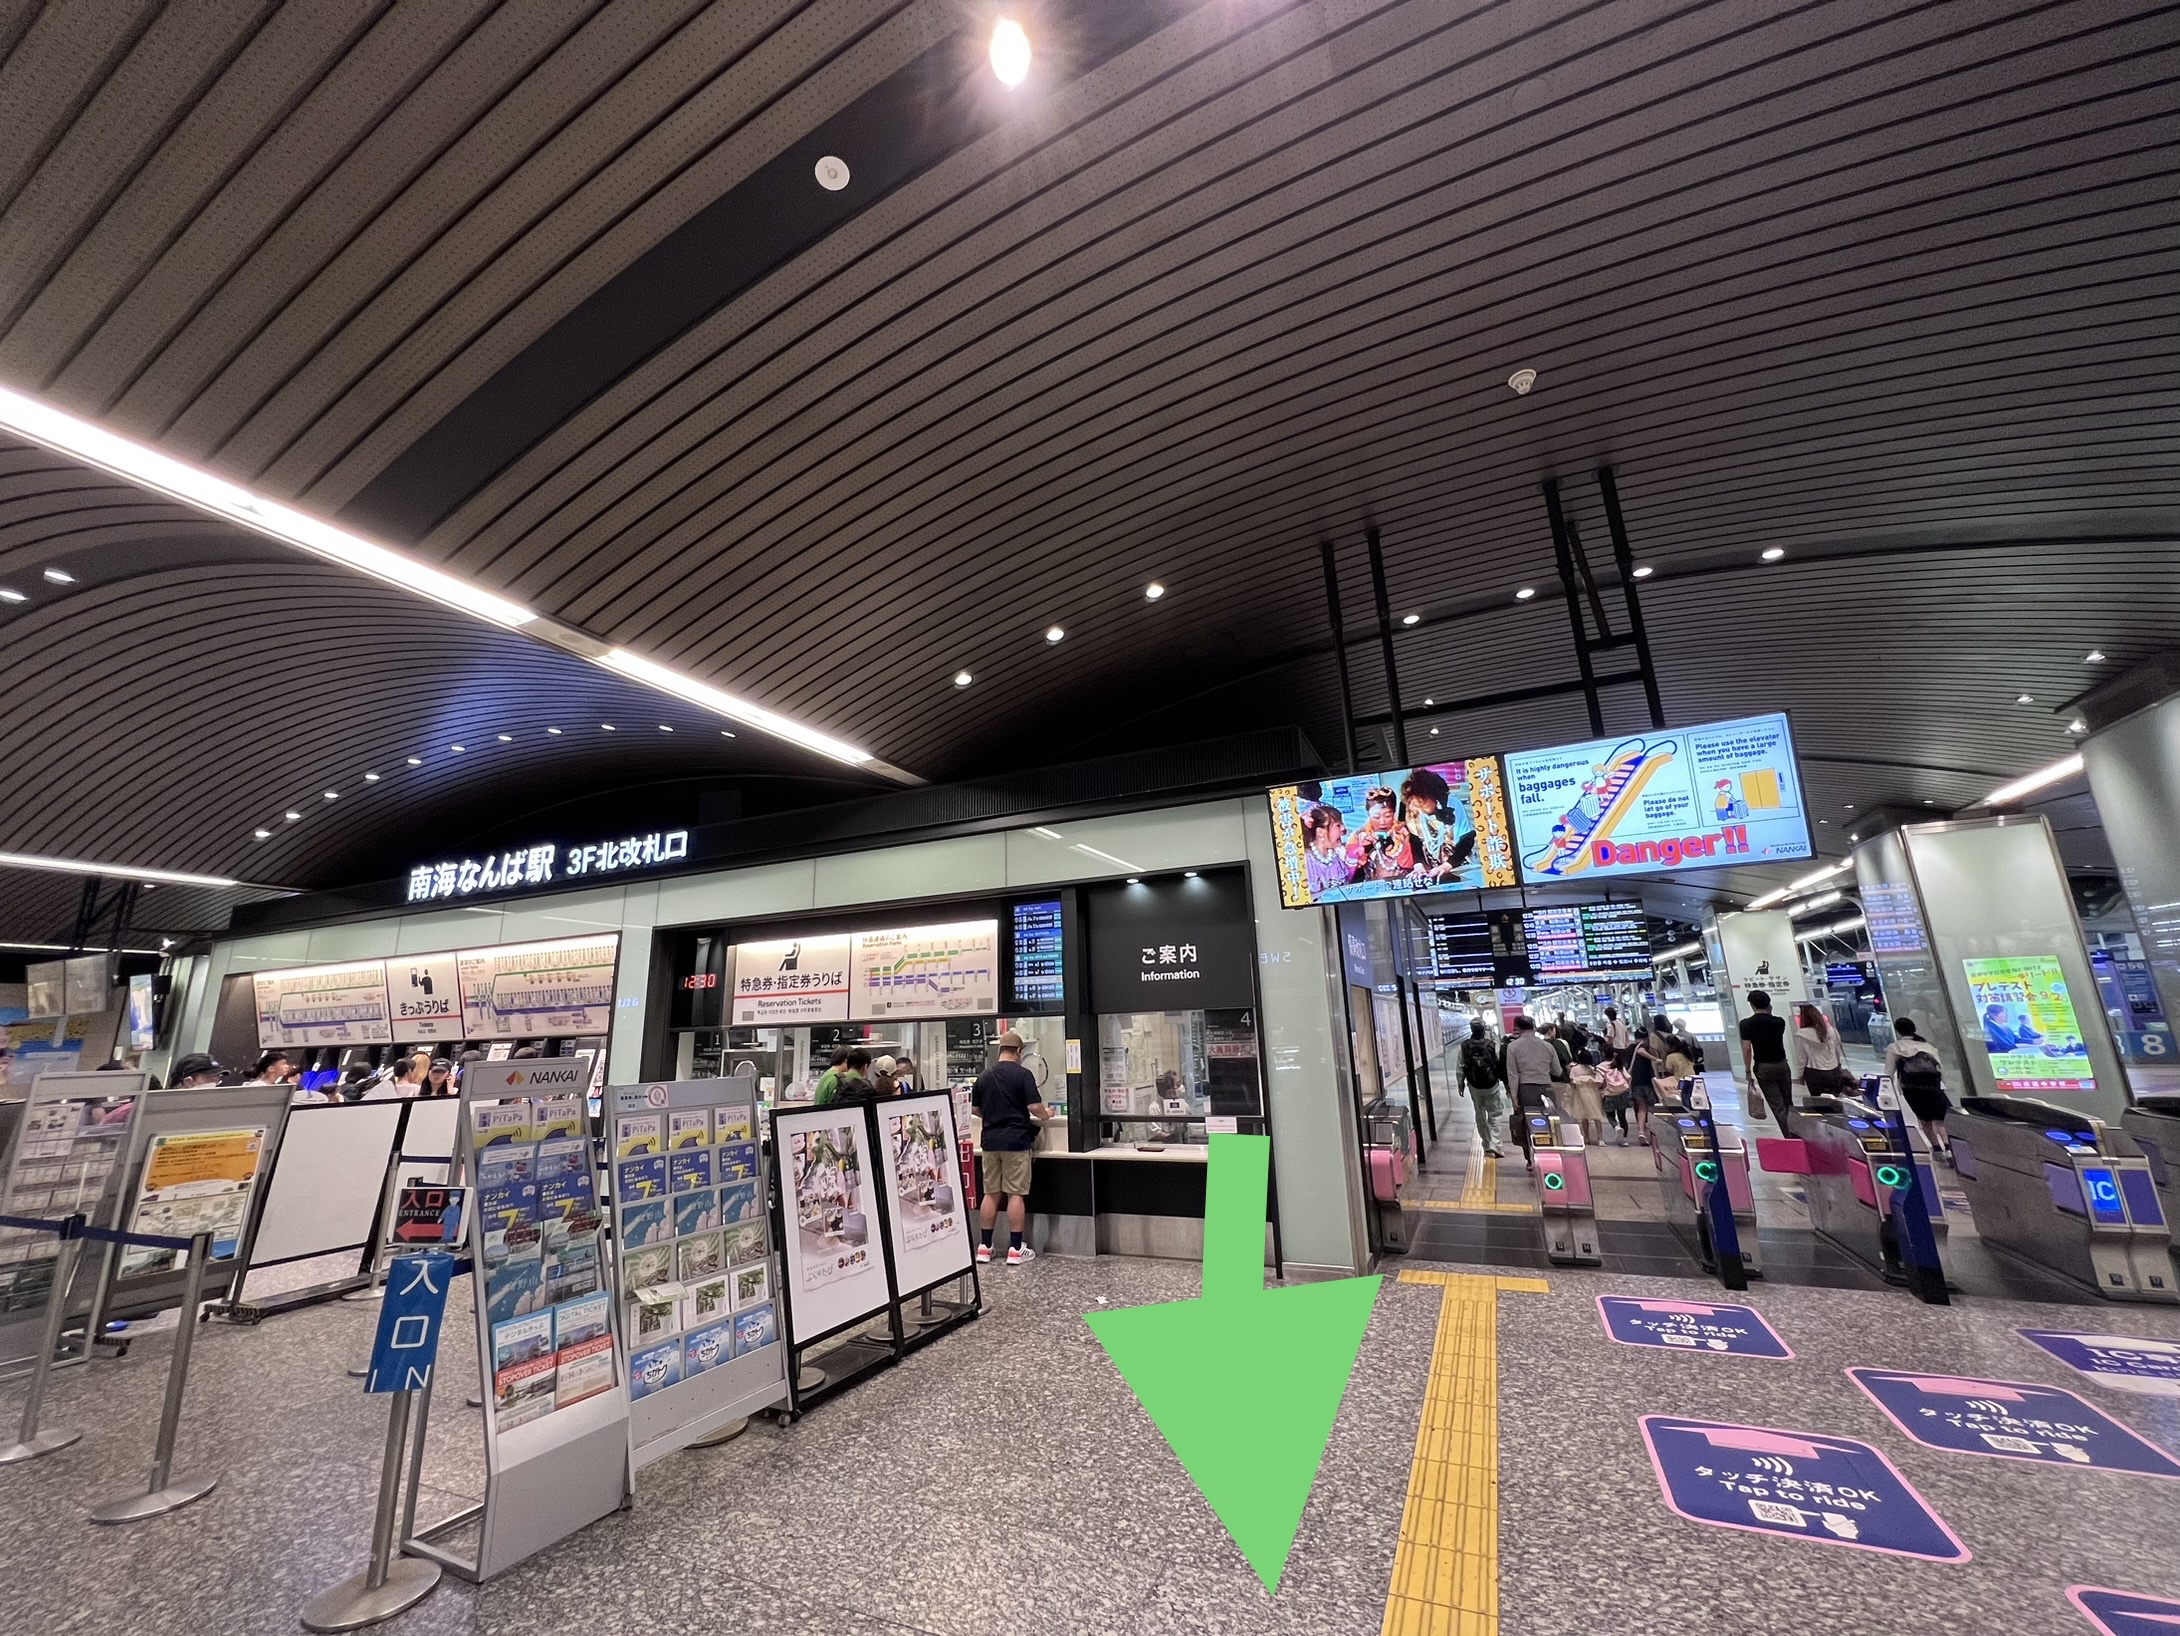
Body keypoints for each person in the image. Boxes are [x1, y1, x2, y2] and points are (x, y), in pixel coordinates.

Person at [971, 1030, 1053, 1265]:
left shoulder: (984, 1076)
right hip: (1016, 1141)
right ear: (1018, 1051)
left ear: (1000, 1050)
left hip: (990, 1142)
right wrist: (1046, 1114)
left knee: (991, 1193)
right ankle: (1016, 1249)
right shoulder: (1023, 1075)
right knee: (1015, 1194)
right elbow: (1034, 1107)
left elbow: (975, 1110)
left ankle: (985, 1247)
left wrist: (993, 1117)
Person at [1886, 1017, 1954, 1158]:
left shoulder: (1895, 1048)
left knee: (1925, 1120)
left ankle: (1936, 1149)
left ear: (1898, 1031)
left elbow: (1888, 1073)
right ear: (1914, 1029)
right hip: (1933, 1087)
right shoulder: (1927, 1046)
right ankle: (1948, 1149)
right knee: (1940, 1120)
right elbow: (1940, 1068)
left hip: (1912, 1089)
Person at [1502, 1016, 1559, 1171]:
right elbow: (1557, 1071)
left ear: (1517, 1028)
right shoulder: (1547, 1046)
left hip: (1525, 1090)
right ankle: (1549, 1156)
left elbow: (1513, 1074)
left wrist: (1514, 1096)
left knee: (1526, 1125)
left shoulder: (1513, 1047)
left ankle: (1530, 1160)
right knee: (1548, 1123)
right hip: (1546, 1089)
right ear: (1533, 1026)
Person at [1739, 991, 1793, 1129]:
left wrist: (1747, 1071)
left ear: (1752, 1005)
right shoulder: (1779, 1022)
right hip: (1782, 1064)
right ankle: (1797, 1131)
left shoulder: (1746, 1024)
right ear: (1769, 1004)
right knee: (1788, 1102)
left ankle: (1789, 1135)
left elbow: (1747, 1048)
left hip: (1763, 1067)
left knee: (1777, 1105)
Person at [1457, 1019, 1505, 1158]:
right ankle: (1495, 1144)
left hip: (1474, 1085)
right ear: (1484, 1030)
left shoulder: (1464, 1046)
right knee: (1495, 1113)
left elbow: (1460, 1067)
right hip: (1491, 1085)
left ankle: (1486, 1143)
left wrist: (1460, 1084)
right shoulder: (1492, 1045)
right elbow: (1499, 1064)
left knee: (1480, 1114)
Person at [1795, 1002, 1851, 1099]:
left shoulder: (1801, 1035)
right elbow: (1837, 1052)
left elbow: (1802, 1059)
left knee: (1819, 1101)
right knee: (1836, 1100)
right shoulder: (1832, 1031)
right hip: (1834, 1071)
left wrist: (1800, 1076)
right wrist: (1838, 1066)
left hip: (1815, 1074)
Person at [1299, 802, 1351, 899]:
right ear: (1320, 832)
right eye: (1338, 825)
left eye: (1342, 824)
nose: (1343, 829)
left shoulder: (1337, 856)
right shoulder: (1304, 860)